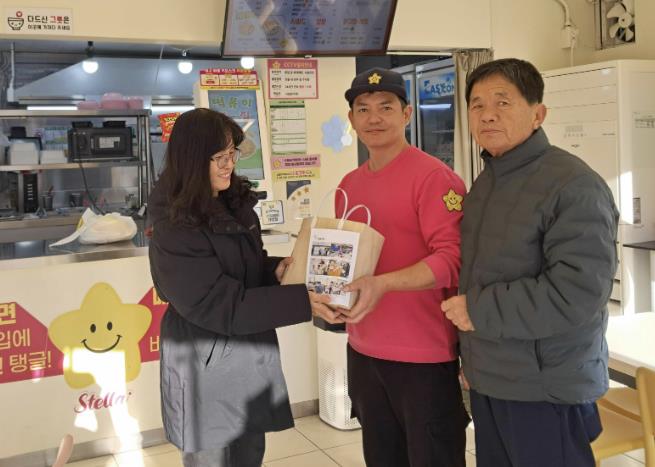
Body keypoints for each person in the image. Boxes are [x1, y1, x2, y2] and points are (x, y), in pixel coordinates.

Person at [441, 58, 619, 467]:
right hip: (493, 380)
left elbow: (575, 294)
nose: (487, 114)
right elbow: (481, 274)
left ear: (538, 114)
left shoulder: (573, 185)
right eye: (477, 104)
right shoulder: (487, 182)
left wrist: (477, 311)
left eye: (503, 102)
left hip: (545, 388)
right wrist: (473, 360)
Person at [312, 68, 470, 467]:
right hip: (362, 349)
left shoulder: (435, 178)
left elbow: (453, 260)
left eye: (386, 107)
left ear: (407, 114)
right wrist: (325, 294)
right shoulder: (349, 184)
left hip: (423, 355)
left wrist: (383, 284)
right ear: (352, 119)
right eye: (363, 109)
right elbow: (346, 262)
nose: (374, 118)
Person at [148, 108, 319, 467]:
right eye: (219, 157)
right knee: (211, 457)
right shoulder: (174, 225)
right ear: (192, 159)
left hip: (246, 353)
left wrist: (274, 271)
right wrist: (303, 302)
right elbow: (220, 305)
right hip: (202, 361)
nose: (229, 165)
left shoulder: (233, 202)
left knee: (249, 453)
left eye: (232, 153)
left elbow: (243, 269)